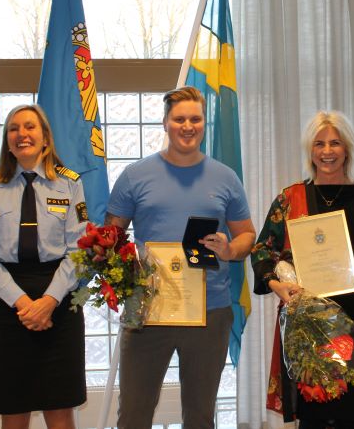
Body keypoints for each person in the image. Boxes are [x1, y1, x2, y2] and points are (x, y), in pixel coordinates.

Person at [105, 86, 256, 429]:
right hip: (148, 311)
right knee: (132, 416)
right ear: (165, 123)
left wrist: (230, 249)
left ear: (204, 123)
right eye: (179, 119)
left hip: (209, 311)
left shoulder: (225, 177)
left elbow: (247, 235)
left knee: (200, 417)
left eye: (195, 119)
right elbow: (108, 239)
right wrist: (127, 266)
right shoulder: (135, 175)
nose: (188, 126)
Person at [252, 111, 354, 429]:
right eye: (319, 144)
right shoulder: (291, 197)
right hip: (308, 322)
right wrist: (276, 285)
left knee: (351, 413)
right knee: (313, 412)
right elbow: (262, 251)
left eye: (335, 143)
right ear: (310, 150)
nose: (327, 151)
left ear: (347, 148)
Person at [0, 104, 87, 429]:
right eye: (14, 128)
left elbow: (79, 251)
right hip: (8, 302)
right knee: (13, 407)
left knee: (60, 408)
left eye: (30, 127)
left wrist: (48, 302)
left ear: (45, 138)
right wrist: (24, 305)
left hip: (60, 300)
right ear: (7, 142)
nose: (22, 134)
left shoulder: (69, 185)